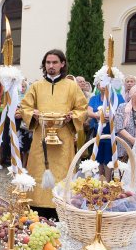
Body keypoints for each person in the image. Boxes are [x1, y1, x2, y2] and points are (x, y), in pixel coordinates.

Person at [19, 49, 88, 217]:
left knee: (62, 172)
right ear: (44, 65)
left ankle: (61, 206)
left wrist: (72, 116)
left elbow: (82, 108)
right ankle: (36, 207)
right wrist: (33, 114)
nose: (51, 66)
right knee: (38, 170)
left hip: (63, 138)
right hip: (40, 137)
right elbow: (25, 107)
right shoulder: (36, 86)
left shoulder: (72, 86)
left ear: (62, 64)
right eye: (48, 62)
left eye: (55, 62)